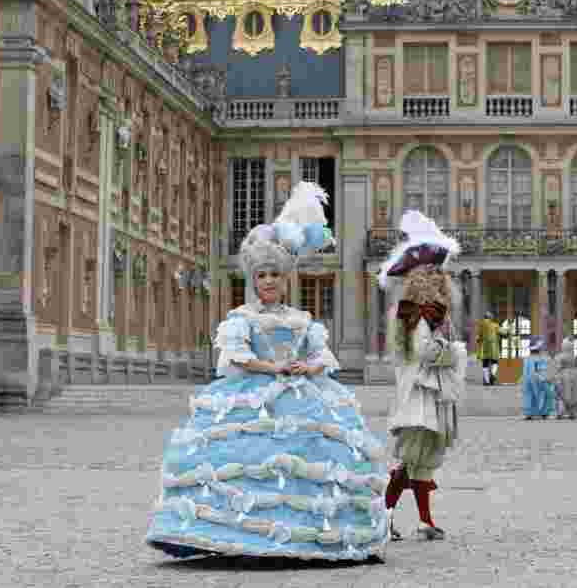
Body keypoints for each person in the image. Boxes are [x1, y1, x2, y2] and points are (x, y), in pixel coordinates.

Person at [146, 183, 389, 562]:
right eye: (262, 275)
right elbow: (235, 357)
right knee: (250, 461)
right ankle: (241, 533)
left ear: (286, 277)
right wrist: (272, 367)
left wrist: (306, 367)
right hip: (252, 397)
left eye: (275, 274)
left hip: (302, 395)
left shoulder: (301, 318)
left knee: (307, 459)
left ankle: (302, 536)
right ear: (253, 279)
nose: (269, 281)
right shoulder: (241, 319)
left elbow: (323, 355)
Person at [379, 210, 468, 542]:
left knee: (423, 462)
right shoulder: (416, 316)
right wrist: (455, 351)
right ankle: (383, 517)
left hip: (432, 395)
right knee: (410, 460)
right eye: (433, 274)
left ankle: (425, 521)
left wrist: (446, 344)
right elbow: (426, 353)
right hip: (419, 397)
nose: (439, 279)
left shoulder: (431, 316)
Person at [521, 336, 553, 420]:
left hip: (530, 380)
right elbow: (547, 370)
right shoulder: (544, 358)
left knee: (529, 396)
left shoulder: (527, 359)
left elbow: (525, 373)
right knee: (546, 395)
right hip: (540, 379)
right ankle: (544, 412)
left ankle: (529, 413)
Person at [551, 337, 577, 420]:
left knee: (561, 395)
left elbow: (557, 368)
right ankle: (572, 413)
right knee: (573, 395)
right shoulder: (575, 357)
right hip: (574, 376)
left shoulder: (559, 356)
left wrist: (555, 378)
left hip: (563, 376)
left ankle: (560, 412)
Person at [475, 311, 500, 386]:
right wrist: (508, 332)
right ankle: (492, 374)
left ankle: (486, 381)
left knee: (485, 364)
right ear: (491, 318)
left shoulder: (481, 325)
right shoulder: (495, 325)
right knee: (495, 362)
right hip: (493, 347)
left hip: (484, 347)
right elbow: (502, 332)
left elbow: (478, 337)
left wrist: (479, 340)